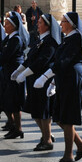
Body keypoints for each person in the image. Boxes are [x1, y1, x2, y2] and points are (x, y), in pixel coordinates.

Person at [33, 12, 82, 162]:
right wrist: (53, 82)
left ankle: (68, 156)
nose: (60, 25)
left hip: (73, 79)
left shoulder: (76, 39)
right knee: (59, 117)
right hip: (65, 78)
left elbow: (64, 62)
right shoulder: (68, 39)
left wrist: (45, 77)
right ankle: (80, 145)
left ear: (72, 24)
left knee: (67, 119)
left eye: (63, 22)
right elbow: (61, 62)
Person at [16, 14, 61, 150]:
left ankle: (47, 140)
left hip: (43, 80)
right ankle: (46, 134)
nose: (38, 25)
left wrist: (25, 72)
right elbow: (31, 57)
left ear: (47, 25)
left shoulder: (51, 41)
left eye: (40, 23)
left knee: (43, 111)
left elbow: (43, 60)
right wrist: (20, 70)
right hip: (33, 78)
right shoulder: (39, 40)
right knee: (34, 110)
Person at [0, 12, 29, 139]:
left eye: (7, 24)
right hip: (6, 72)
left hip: (14, 73)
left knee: (14, 101)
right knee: (2, 99)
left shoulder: (16, 39)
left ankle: (18, 128)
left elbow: (6, 56)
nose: (5, 26)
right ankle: (11, 123)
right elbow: (1, 53)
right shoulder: (8, 39)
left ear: (14, 26)